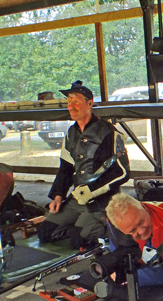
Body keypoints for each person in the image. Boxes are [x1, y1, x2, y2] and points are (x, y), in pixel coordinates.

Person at [38, 81, 130, 249]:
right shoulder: (71, 134)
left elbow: (122, 172)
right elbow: (65, 168)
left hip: (102, 200)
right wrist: (58, 195)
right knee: (44, 233)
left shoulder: (109, 132)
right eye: (69, 102)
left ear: (90, 103)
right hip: (78, 198)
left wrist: (91, 191)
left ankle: (104, 226)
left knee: (78, 241)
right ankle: (80, 227)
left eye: (76, 101)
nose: (71, 106)